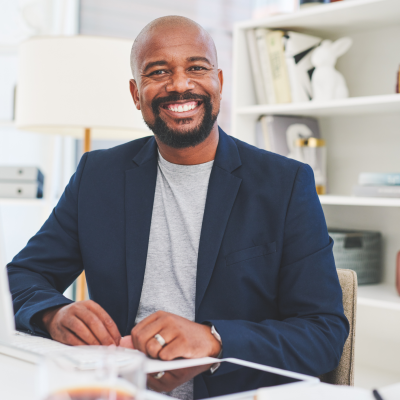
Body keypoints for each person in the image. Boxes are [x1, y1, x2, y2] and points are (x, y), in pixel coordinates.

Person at [7, 15, 348, 399]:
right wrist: (54, 314)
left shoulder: (285, 184)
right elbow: (20, 277)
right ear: (136, 94)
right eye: (158, 72)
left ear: (219, 81)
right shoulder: (97, 175)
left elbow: (323, 333)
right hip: (122, 391)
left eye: (197, 68)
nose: (180, 84)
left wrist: (214, 339)